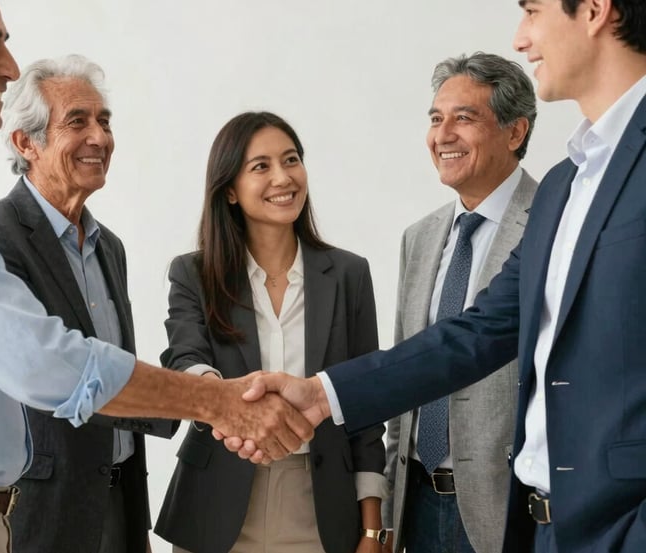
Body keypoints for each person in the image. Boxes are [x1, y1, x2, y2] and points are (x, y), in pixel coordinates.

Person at [0, 2, 312, 551]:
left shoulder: (105, 247)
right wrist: (217, 402)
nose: (9, 67)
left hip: (43, 509)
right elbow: (43, 361)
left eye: (104, 120)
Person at [234, 1, 646, 551]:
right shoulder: (565, 186)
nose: (522, 39)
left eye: (532, 11)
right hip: (541, 526)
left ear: (594, 11)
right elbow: (475, 335)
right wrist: (322, 394)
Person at [154, 112, 387, 553]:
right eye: (260, 166)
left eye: (291, 160)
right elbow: (185, 357)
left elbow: (366, 406)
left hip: (320, 505)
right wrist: (219, 399)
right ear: (229, 191)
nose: (283, 177)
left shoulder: (348, 275)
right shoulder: (194, 274)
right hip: (215, 501)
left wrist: (373, 528)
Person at [0, 55, 177, 553]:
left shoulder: (110, 247)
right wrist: (191, 399)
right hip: (43, 507)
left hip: (121, 499)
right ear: (26, 142)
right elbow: (51, 373)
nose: (100, 137)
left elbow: (112, 366)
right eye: (78, 121)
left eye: (104, 121)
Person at [383, 52, 537, 553]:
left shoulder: (551, 226)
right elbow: (403, 378)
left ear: (516, 132)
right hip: (418, 507)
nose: (442, 134)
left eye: (464, 118)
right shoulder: (419, 238)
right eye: (435, 118)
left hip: (510, 509)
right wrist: (387, 512)